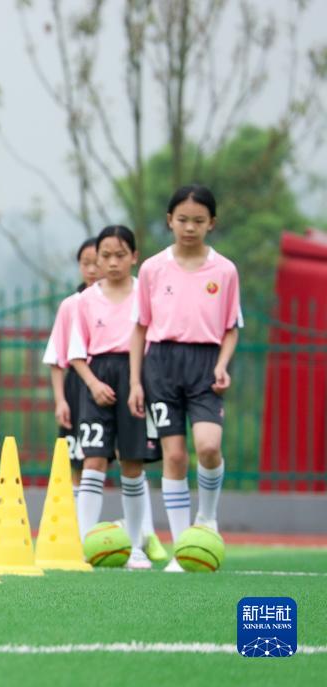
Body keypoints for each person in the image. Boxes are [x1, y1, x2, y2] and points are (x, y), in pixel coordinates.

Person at [128, 185, 242, 572]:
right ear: (169, 221)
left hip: (205, 364)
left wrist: (223, 364)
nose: (189, 227)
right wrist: (135, 382)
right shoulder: (152, 269)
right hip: (160, 365)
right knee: (174, 456)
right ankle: (182, 548)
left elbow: (231, 328)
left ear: (212, 223)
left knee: (208, 447)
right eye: (182, 220)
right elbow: (140, 327)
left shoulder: (224, 270)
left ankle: (207, 519)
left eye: (198, 220)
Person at [67, 226, 160, 569]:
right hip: (98, 380)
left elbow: (154, 339)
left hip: (137, 379)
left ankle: (136, 545)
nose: (112, 262)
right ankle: (84, 546)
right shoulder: (85, 300)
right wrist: (92, 384)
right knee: (93, 462)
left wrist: (139, 383)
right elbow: (76, 353)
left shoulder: (144, 295)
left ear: (134, 257)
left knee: (132, 465)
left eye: (120, 255)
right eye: (105, 255)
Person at [42, 237, 99, 496]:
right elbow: (57, 358)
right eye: (85, 263)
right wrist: (60, 400)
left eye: (97, 262)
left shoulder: (125, 300)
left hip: (111, 381)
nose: (92, 269)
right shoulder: (70, 305)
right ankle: (77, 523)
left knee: (124, 455)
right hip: (77, 388)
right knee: (76, 456)